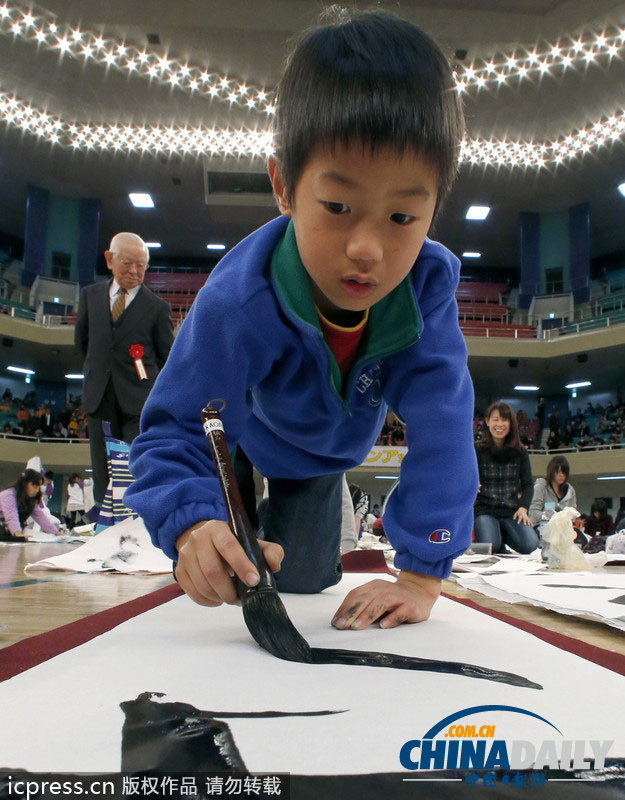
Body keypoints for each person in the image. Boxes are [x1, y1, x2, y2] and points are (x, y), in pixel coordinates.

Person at [126, 8, 477, 632]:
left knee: (305, 578)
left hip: (317, 454)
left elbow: (444, 427)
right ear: (284, 186)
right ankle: (217, 507)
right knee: (219, 553)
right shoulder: (238, 297)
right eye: (338, 206)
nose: (367, 248)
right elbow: (172, 425)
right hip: (231, 428)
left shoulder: (425, 290)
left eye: (402, 218)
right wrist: (190, 524)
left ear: (433, 210)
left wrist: (422, 574)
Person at [75, 232, 174, 505]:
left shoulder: (157, 308)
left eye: (141, 265)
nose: (134, 270)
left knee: (134, 465)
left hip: (139, 401)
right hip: (99, 396)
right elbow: (83, 344)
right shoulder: (89, 297)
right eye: (128, 262)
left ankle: (137, 526)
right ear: (109, 259)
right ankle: (104, 530)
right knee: (101, 467)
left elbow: (167, 357)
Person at [474, 401, 539, 554]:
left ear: (511, 423)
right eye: (495, 419)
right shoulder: (477, 448)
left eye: (504, 419)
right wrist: (471, 482)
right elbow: (464, 474)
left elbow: (528, 485)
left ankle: (501, 532)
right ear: (487, 421)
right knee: (491, 547)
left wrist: (523, 508)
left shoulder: (520, 452)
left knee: (530, 545)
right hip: (485, 509)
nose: (500, 424)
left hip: (511, 510)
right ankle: (494, 534)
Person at [528, 456, 584, 547]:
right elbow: (533, 513)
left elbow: (573, 512)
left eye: (564, 472)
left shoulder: (570, 491)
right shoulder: (540, 487)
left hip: (564, 530)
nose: (561, 475)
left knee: (581, 540)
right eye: (558, 472)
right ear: (551, 472)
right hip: (542, 528)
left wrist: (569, 517)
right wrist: (551, 517)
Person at [0, 469, 61, 541]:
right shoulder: (9, 495)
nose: (37, 490)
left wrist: (56, 533)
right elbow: (11, 517)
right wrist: (18, 535)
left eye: (39, 487)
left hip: (7, 532)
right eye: (34, 486)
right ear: (24, 483)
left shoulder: (31, 499)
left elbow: (41, 517)